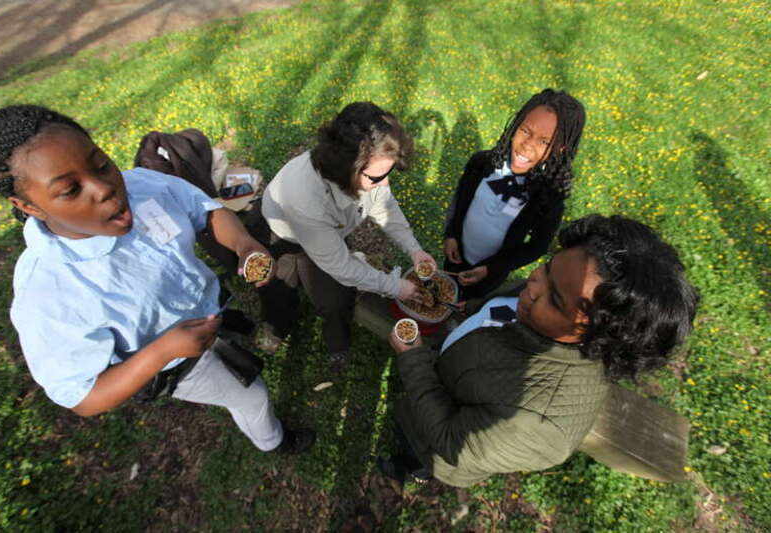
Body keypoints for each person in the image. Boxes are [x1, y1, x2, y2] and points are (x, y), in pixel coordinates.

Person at [0, 105, 313, 454]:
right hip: (179, 364)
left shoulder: (145, 187)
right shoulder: (47, 294)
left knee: (231, 328)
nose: (104, 188)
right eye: (71, 190)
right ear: (28, 206)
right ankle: (275, 441)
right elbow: (83, 396)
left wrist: (243, 243)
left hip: (208, 308)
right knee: (252, 397)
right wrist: (163, 351)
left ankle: (233, 330)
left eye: (100, 164)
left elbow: (206, 212)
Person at [381, 214, 699, 487]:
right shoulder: (550, 297)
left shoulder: (540, 424)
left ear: (599, 338)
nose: (532, 284)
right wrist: (473, 307)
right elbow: (503, 305)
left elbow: (450, 441)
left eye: (555, 299)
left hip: (434, 445)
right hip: (440, 377)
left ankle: (412, 468)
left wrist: (412, 359)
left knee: (415, 448)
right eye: (547, 267)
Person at [251, 102, 436, 363]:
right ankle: (276, 325)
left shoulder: (369, 170)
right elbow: (341, 266)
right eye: (376, 178)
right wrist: (395, 287)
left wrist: (413, 248)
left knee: (336, 300)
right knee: (279, 286)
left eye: (389, 173)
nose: (385, 184)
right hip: (282, 233)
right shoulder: (305, 198)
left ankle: (337, 346)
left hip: (327, 232)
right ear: (345, 168)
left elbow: (384, 206)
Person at [443, 89, 586, 299]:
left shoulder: (548, 199)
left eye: (544, 142)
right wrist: (452, 235)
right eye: (525, 130)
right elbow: (461, 201)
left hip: (490, 273)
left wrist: (492, 269)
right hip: (456, 254)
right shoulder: (481, 163)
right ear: (516, 124)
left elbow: (537, 247)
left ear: (560, 149)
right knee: (443, 287)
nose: (527, 145)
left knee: (471, 302)